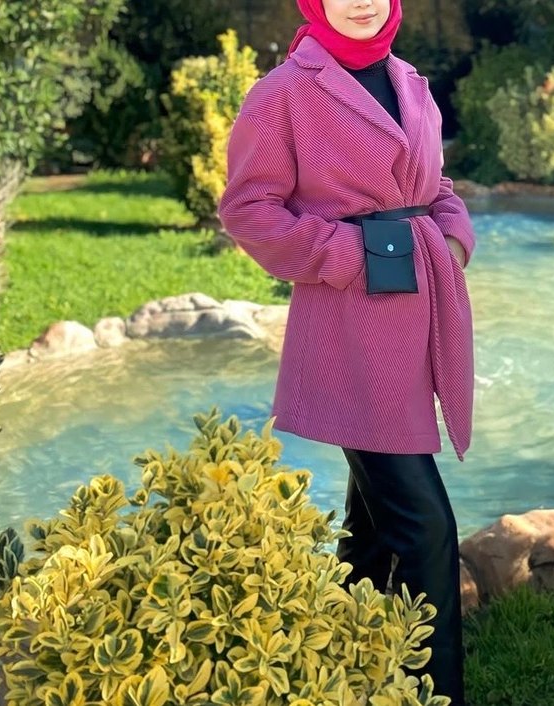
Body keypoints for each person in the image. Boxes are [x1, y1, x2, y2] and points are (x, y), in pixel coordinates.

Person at [217, 0, 476, 702]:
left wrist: (453, 239)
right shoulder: (282, 92)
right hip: (348, 331)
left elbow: (435, 186)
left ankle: (344, 666)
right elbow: (248, 210)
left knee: (373, 524)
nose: (361, 2)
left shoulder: (410, 80)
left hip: (418, 318)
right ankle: (435, 694)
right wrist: (349, 255)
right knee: (425, 527)